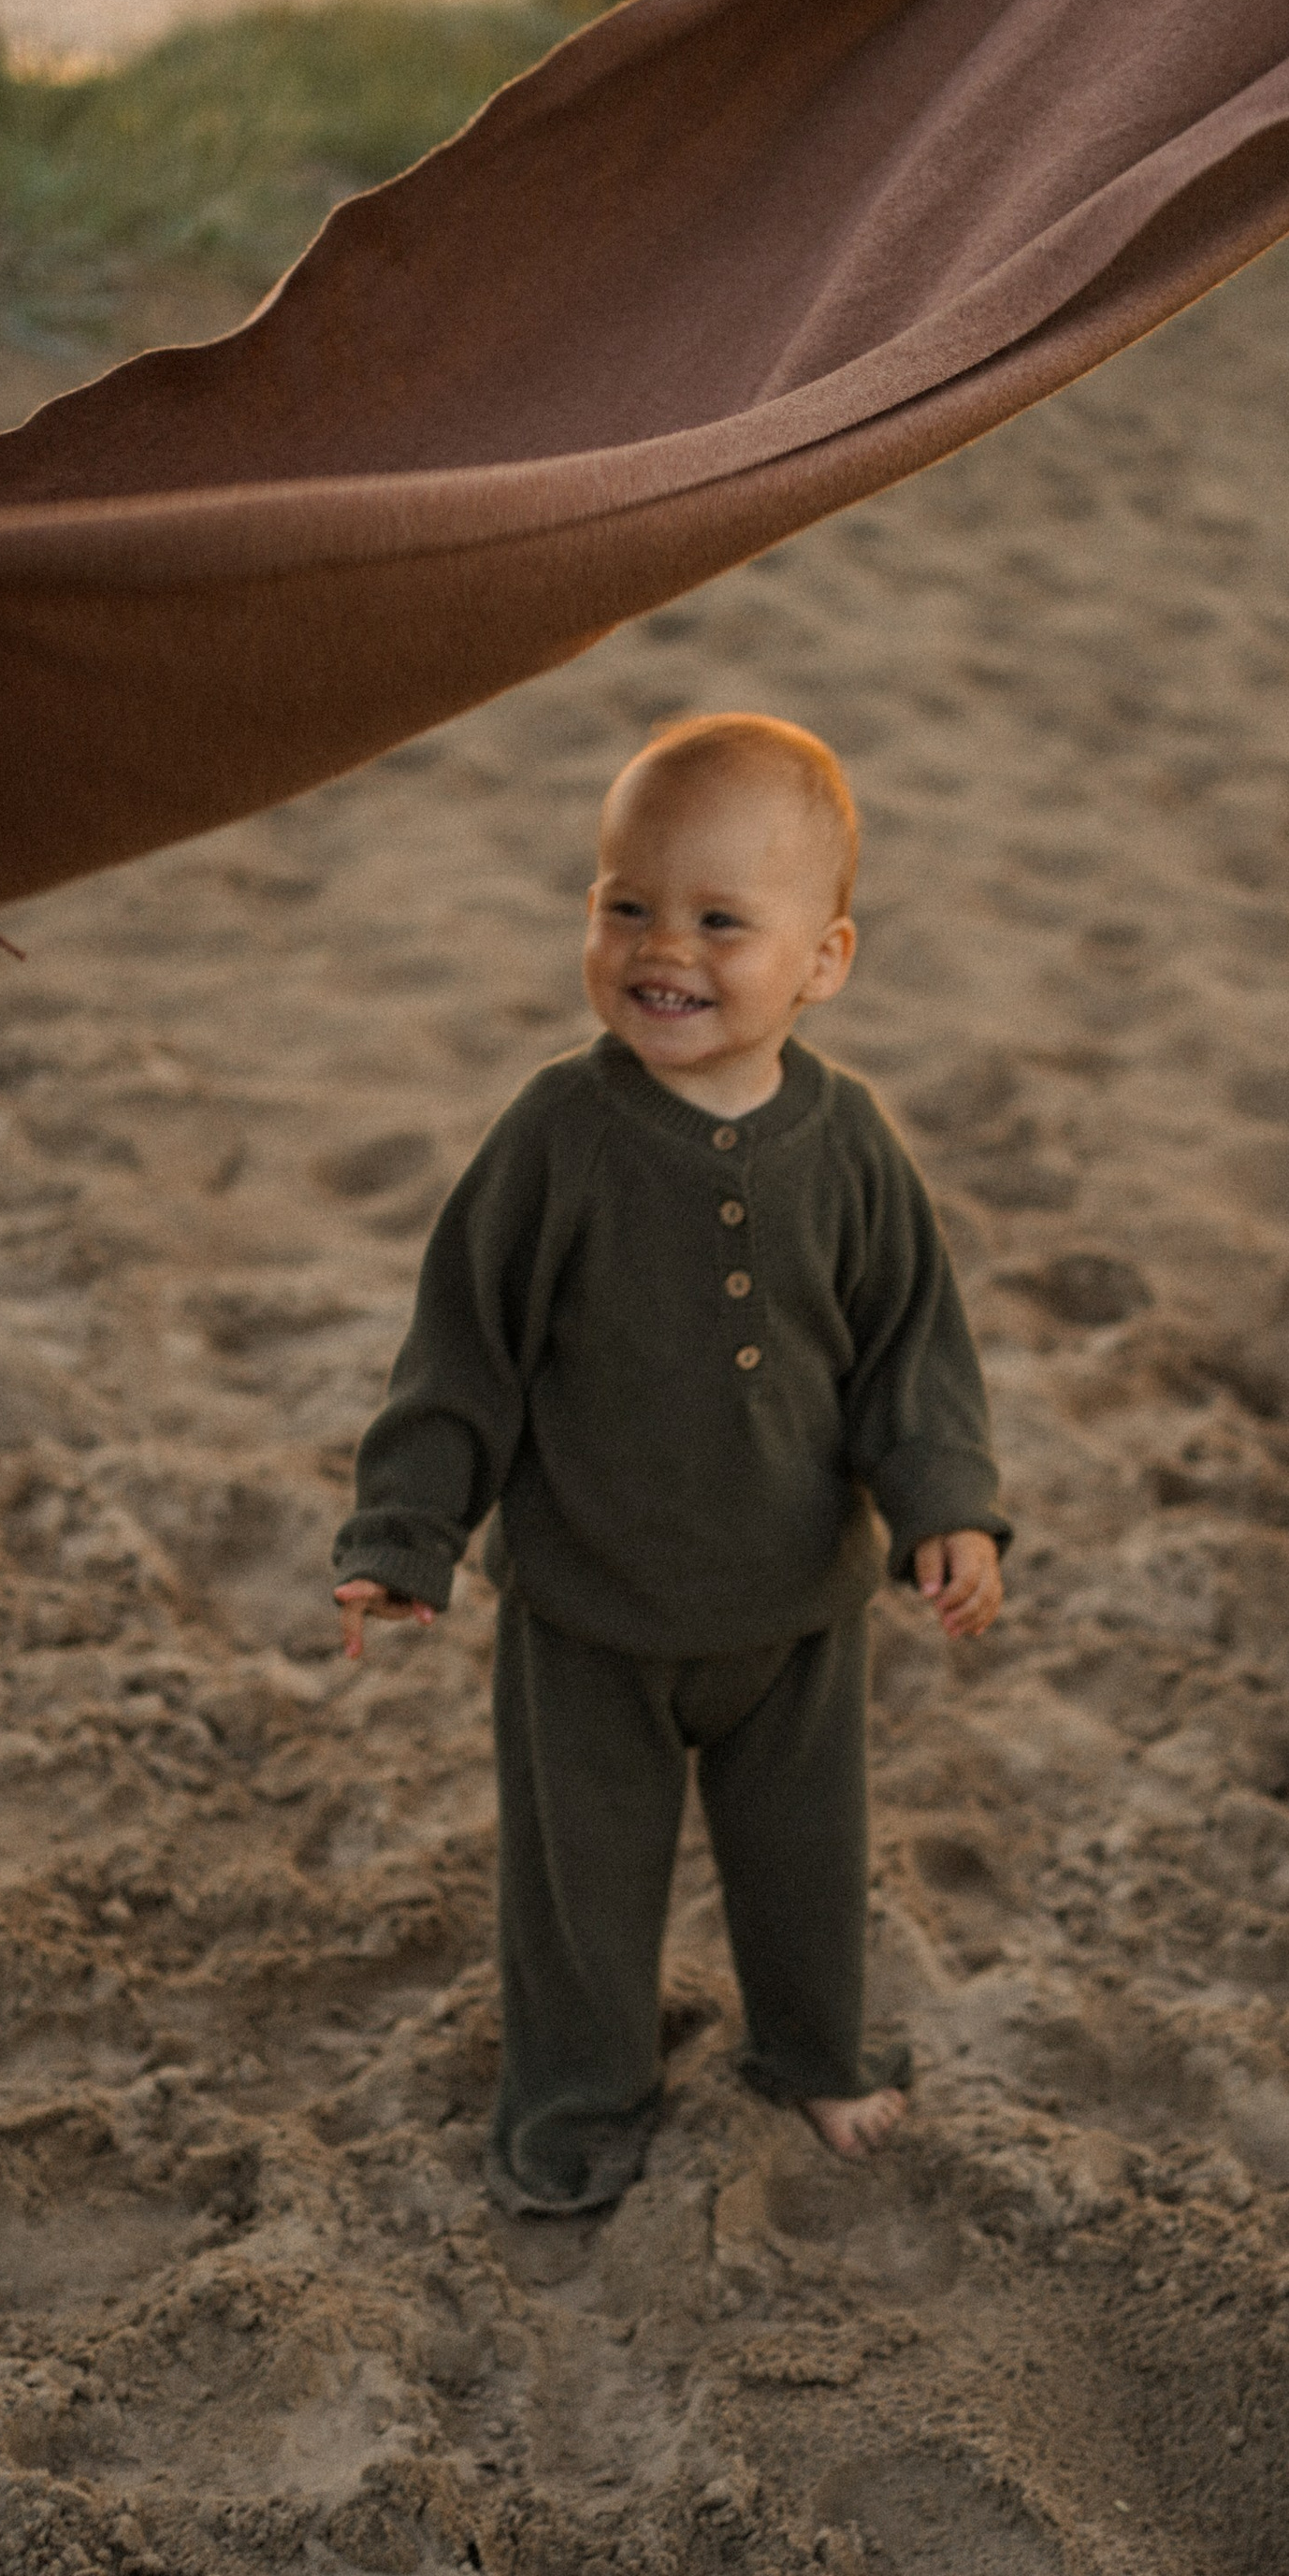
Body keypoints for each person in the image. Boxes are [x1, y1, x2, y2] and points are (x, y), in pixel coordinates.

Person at [331, 710, 1008, 2214]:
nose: (665, 947)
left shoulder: (849, 1147)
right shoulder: (560, 1137)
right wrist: (404, 1531)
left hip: (796, 1614)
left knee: (807, 1865)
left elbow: (912, 1349)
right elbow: (465, 1352)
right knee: (580, 1895)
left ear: (824, 960)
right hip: (588, 1616)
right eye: (626, 903)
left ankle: (814, 2053)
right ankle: (574, 2108)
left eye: (719, 919)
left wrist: (947, 1510)